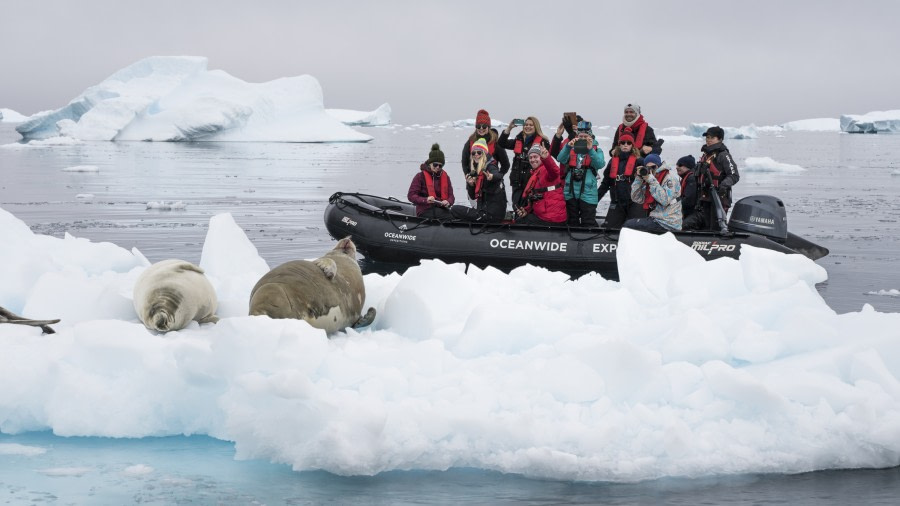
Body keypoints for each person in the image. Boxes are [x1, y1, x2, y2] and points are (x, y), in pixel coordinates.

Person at [682, 126, 740, 231]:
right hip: (705, 198)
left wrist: (723, 185)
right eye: (707, 137)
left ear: (720, 139)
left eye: (712, 138)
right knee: (706, 225)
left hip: (718, 198)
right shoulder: (706, 155)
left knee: (716, 226)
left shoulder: (723, 155)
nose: (708, 140)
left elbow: (734, 175)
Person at [556, 121, 605, 226]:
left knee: (588, 221)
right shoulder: (571, 149)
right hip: (571, 190)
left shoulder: (597, 150)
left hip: (588, 192)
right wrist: (568, 146)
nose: (582, 138)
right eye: (580, 136)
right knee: (571, 220)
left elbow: (600, 164)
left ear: (590, 137)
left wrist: (590, 150)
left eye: (585, 136)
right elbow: (560, 158)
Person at [597, 129, 647, 228]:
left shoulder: (640, 161)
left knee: (635, 228)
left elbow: (650, 179)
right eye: (623, 142)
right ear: (619, 145)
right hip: (617, 202)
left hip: (635, 202)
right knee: (609, 228)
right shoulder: (612, 161)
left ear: (632, 145)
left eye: (628, 143)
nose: (625, 145)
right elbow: (605, 183)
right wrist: (595, 199)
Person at [499, 116, 551, 209]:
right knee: (516, 206)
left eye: (531, 125)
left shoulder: (543, 142)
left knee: (530, 207)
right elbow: (502, 143)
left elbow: (548, 161)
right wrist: (509, 128)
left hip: (533, 182)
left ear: (536, 127)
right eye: (526, 124)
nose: (528, 127)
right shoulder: (518, 140)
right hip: (517, 181)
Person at [460, 109, 510, 205]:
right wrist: (468, 176)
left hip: (491, 185)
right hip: (473, 184)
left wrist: (497, 177)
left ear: (489, 127)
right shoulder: (470, 142)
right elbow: (464, 162)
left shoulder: (496, 143)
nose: (481, 128)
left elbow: (506, 165)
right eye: (478, 126)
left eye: (484, 126)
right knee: (476, 209)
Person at [451, 138, 507, 222]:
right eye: (473, 153)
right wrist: (471, 185)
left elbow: (498, 175)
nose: (476, 155)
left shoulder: (490, 167)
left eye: (479, 152)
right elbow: (473, 196)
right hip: (484, 211)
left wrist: (492, 177)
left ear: (484, 153)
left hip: (491, 214)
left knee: (454, 209)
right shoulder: (477, 171)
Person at [623, 154, 682, 233]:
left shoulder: (669, 179)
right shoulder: (651, 179)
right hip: (656, 218)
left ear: (659, 166)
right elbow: (637, 198)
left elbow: (664, 200)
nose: (651, 170)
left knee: (628, 225)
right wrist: (639, 178)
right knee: (629, 223)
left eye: (653, 167)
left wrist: (651, 180)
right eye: (648, 168)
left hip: (667, 222)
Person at [515, 144, 566, 225]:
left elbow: (555, 171)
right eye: (530, 157)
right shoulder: (536, 172)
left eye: (535, 157)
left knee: (520, 222)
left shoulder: (547, 170)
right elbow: (537, 199)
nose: (532, 160)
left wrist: (546, 158)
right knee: (520, 218)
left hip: (552, 217)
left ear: (541, 157)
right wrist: (526, 210)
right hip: (545, 213)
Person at [408, 143, 455, 218]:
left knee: (456, 213)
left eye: (440, 165)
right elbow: (411, 196)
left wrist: (448, 201)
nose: (437, 167)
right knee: (449, 216)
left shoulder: (446, 177)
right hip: (425, 209)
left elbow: (451, 196)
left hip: (441, 208)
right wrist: (425, 200)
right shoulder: (420, 176)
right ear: (430, 163)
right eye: (435, 164)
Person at [675, 155, 698, 222]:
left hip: (692, 214)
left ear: (688, 166)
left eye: (680, 165)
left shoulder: (692, 179)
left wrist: (673, 206)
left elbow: (688, 201)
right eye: (676, 165)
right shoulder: (685, 178)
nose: (677, 167)